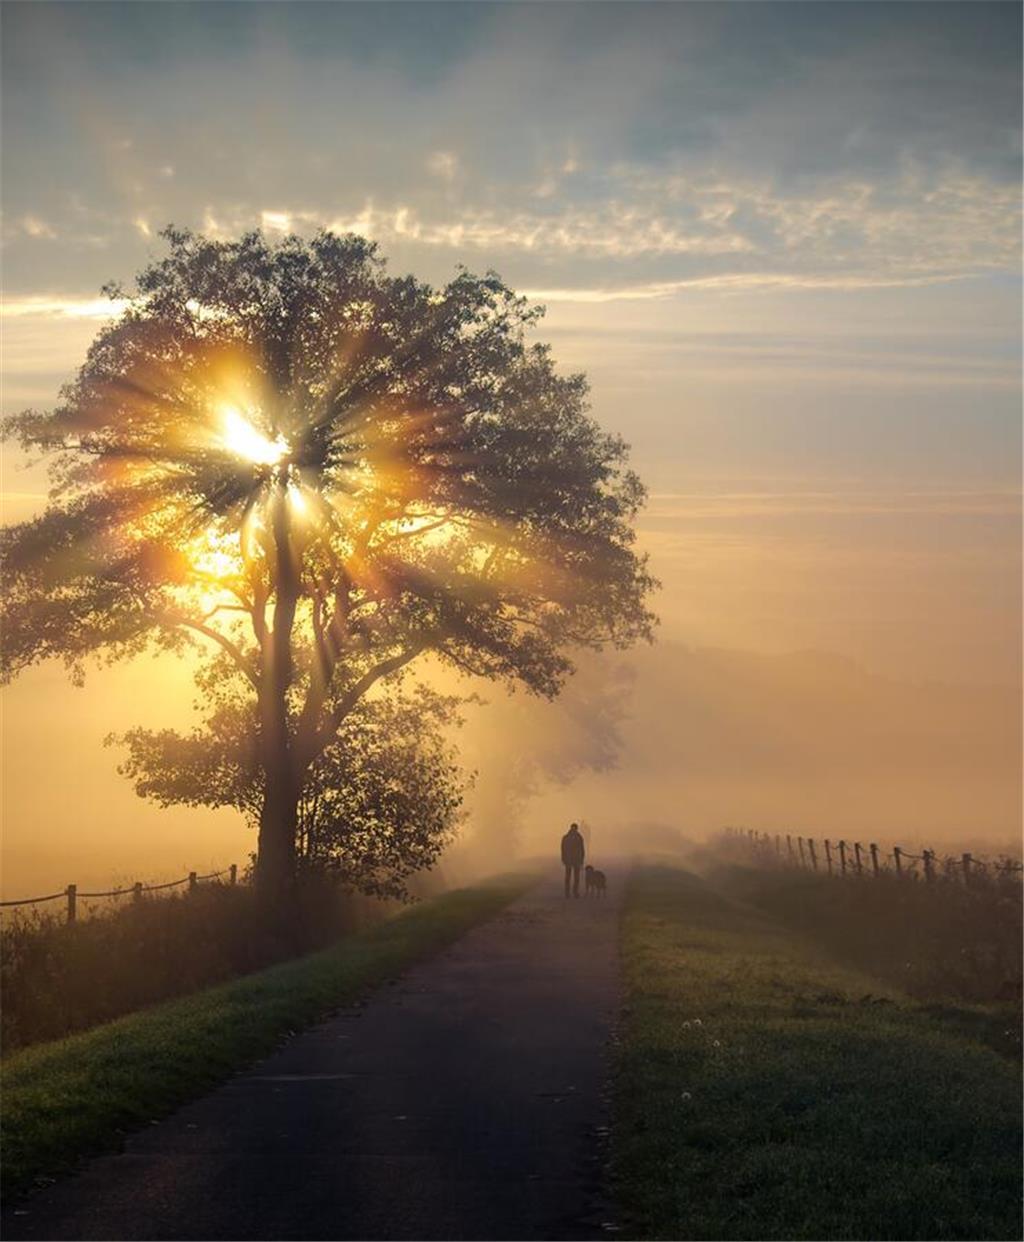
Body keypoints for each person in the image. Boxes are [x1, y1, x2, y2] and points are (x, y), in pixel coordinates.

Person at [561, 822, 585, 898]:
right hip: (569, 859)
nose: (573, 830)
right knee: (568, 877)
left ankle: (575, 892)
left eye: (574, 828)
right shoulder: (566, 837)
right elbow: (563, 849)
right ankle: (567, 893)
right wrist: (563, 858)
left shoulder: (579, 837)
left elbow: (582, 849)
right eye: (573, 828)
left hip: (576, 859)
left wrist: (582, 859)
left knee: (576, 877)